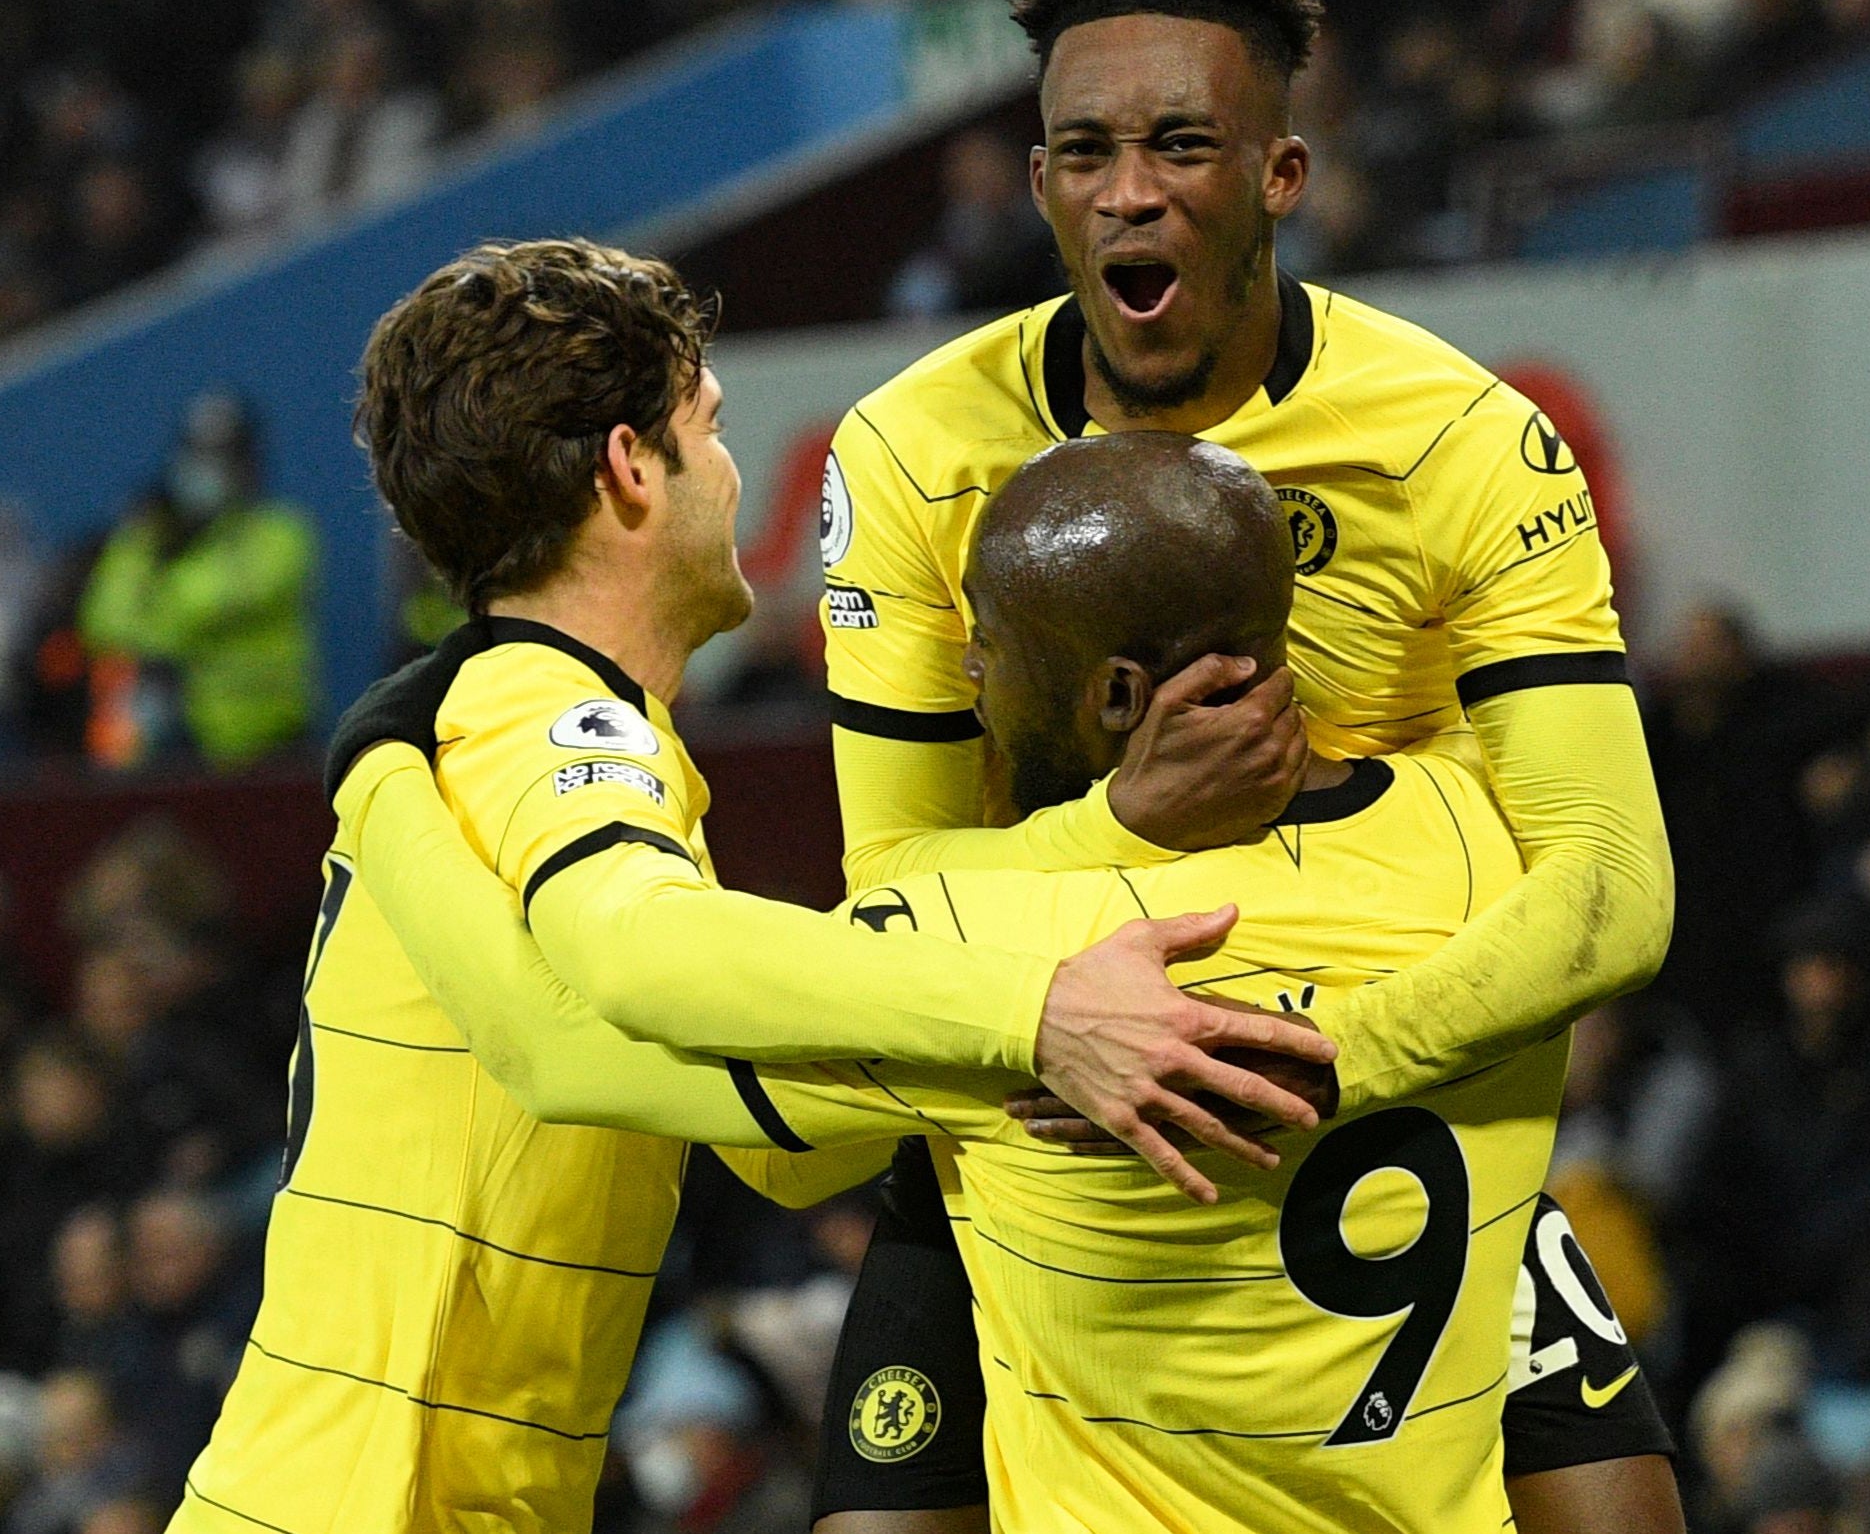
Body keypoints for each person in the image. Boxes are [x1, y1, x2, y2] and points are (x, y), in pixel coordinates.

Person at [166, 241, 1333, 1534]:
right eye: (707, 427)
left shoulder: (522, 735)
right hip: (360, 1504)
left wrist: (1075, 881)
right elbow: (634, 958)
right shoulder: (535, 713)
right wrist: (1037, 1016)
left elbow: (746, 1126)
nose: (731, 470)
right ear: (628, 468)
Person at [334, 431, 1676, 1533]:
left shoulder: (987, 937)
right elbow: (1602, 889)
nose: (964, 666)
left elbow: (605, 1073)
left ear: (1109, 696)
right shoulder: (1474, 841)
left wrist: (383, 782)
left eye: (986, 636)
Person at [810, 0, 1675, 1534]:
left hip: (1391, 1092)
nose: (1128, 189)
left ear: (1280, 174)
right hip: (1045, 1101)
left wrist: (1325, 1055)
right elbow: (894, 888)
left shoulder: (1461, 443)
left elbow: (1612, 885)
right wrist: (1118, 831)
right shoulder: (912, 454)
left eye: (1181, 143)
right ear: (1042, 183)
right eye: (1083, 151)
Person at [76, 391, 316, 769]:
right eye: (197, 454)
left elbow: (216, 602)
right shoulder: (148, 533)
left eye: (223, 457)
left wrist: (160, 600)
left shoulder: (281, 533)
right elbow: (103, 620)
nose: (207, 469)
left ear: (249, 464)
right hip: (170, 747)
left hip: (269, 745)